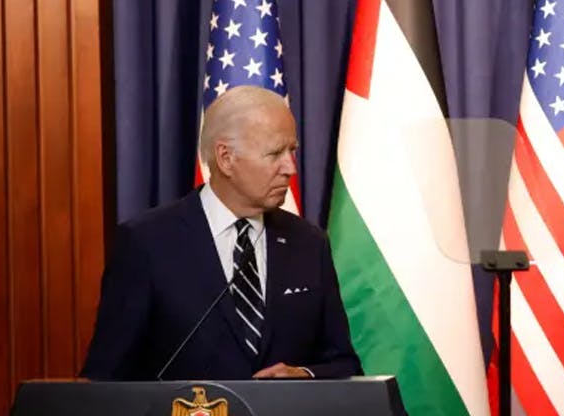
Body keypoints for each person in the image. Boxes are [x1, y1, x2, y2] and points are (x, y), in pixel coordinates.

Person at [82, 85, 361, 380]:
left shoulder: (309, 244)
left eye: (292, 151)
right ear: (226, 158)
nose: (290, 167)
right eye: (275, 153)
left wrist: (304, 375)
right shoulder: (146, 243)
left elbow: (344, 365)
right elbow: (106, 377)